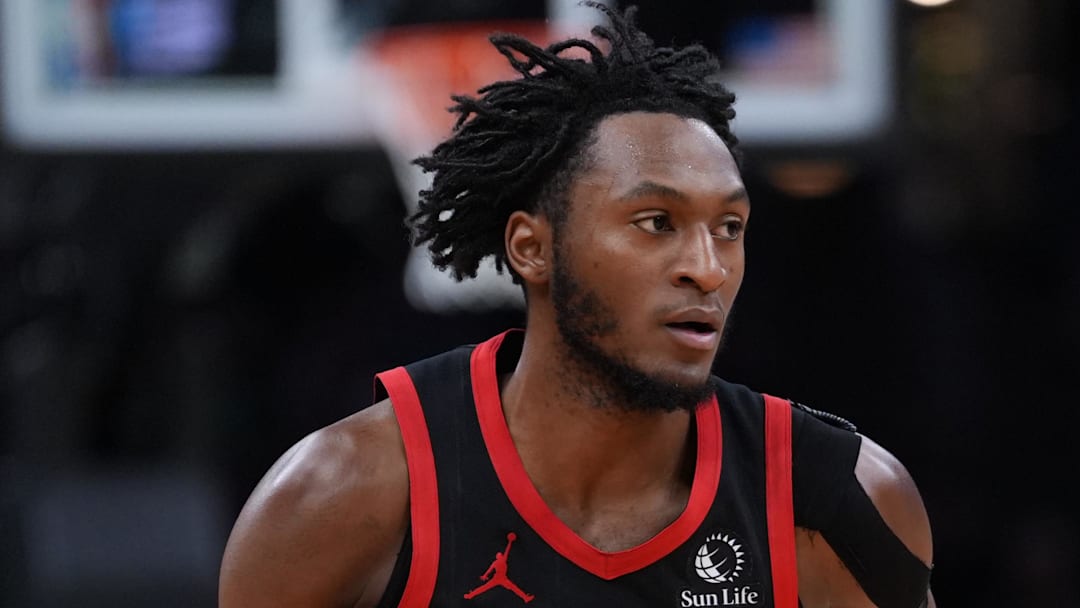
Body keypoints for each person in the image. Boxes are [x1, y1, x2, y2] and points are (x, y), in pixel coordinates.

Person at [218, 3, 936, 607]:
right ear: (532, 248)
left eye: (728, 228)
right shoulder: (344, 493)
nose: (706, 268)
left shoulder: (833, 497)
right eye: (655, 223)